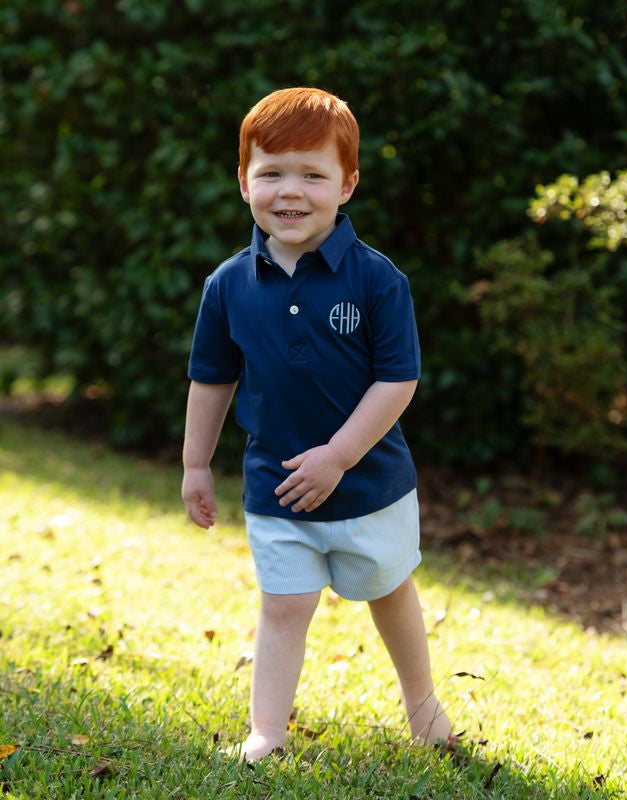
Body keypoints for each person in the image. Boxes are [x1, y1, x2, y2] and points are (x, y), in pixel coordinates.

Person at [181, 86, 452, 761]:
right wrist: (194, 463)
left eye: (313, 174)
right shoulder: (228, 285)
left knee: (389, 592)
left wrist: (339, 453)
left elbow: (399, 380)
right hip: (275, 486)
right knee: (283, 605)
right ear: (244, 182)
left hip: (370, 486)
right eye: (272, 172)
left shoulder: (376, 280)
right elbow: (213, 378)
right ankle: (267, 733)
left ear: (348, 184)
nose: (290, 190)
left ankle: (424, 711)